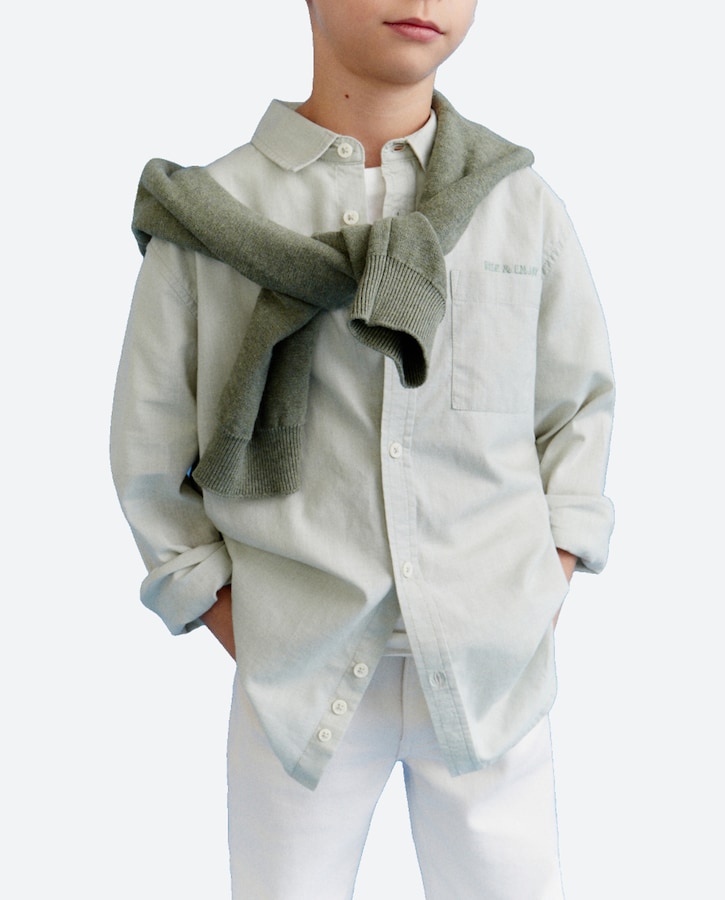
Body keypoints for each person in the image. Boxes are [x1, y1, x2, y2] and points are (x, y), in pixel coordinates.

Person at [111, 1, 615, 896]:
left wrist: (548, 576)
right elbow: (150, 439)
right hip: (294, 680)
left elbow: (576, 409)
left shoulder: (517, 203)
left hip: (491, 674)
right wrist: (227, 612)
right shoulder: (213, 214)